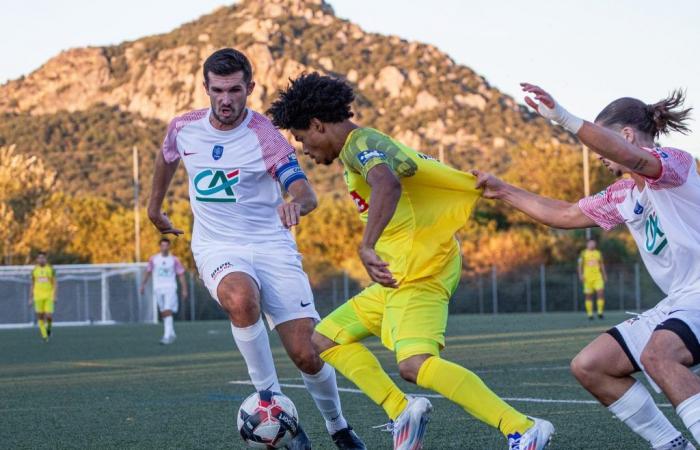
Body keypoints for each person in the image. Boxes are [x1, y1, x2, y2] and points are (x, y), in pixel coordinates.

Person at [267, 72, 554, 450]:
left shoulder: (358, 145)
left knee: (414, 364)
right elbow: (403, 178)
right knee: (323, 338)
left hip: (417, 272)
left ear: (318, 125)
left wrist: (366, 246)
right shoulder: (368, 143)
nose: (304, 148)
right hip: (397, 274)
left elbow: (388, 183)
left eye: (302, 138)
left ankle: (521, 427)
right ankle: (401, 410)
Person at [146, 49, 364, 449]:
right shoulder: (184, 128)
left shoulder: (265, 136)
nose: (225, 99)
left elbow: (303, 189)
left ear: (250, 87)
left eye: (234, 90)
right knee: (241, 297)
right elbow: (166, 158)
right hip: (216, 246)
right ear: (206, 88)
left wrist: (295, 203)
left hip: (271, 246)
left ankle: (338, 427)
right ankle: (274, 407)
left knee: (307, 353)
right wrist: (154, 206)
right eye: (217, 90)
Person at [473, 83, 697, 449]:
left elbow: (640, 160)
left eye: (604, 143)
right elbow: (563, 213)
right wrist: (504, 190)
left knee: (659, 354)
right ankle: (674, 446)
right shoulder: (623, 195)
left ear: (626, 135)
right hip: (680, 301)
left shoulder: (675, 165)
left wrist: (565, 118)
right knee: (591, 365)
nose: (598, 155)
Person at [140, 237, 188, 344]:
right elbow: (148, 272)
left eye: (166, 245)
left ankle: (167, 336)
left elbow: (181, 275)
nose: (164, 247)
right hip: (158, 288)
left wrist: (184, 290)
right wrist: (142, 285)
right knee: (164, 312)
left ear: (169, 246)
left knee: (167, 310)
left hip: (170, 287)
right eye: (163, 245)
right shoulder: (154, 259)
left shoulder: (174, 260)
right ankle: (172, 333)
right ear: (160, 246)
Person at [29, 252, 56, 342]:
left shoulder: (50, 269)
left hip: (48, 296)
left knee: (49, 316)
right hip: (38, 297)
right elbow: (32, 284)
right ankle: (44, 336)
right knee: (40, 316)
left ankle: (48, 329)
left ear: (46, 259)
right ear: (37, 260)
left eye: (43, 258)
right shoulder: (34, 270)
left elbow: (55, 283)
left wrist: (55, 295)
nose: (41, 259)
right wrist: (30, 297)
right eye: (39, 258)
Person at [578, 239, 607, 319]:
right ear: (587, 244)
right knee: (588, 296)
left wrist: (604, 275)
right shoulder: (583, 253)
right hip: (587, 278)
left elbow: (601, 264)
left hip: (598, 277)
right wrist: (580, 275)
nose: (592, 244)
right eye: (590, 243)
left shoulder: (598, 253)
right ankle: (590, 314)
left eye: (594, 243)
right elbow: (580, 265)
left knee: (600, 293)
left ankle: (600, 312)